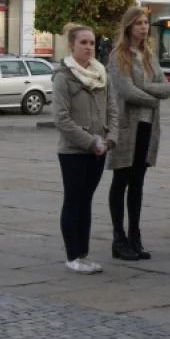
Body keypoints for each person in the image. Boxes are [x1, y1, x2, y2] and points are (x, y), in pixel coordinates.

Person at [107, 7, 170, 261]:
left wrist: (145, 87)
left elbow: (166, 88)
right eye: (139, 23)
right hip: (126, 125)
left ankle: (135, 235)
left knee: (138, 183)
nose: (144, 27)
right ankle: (118, 237)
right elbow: (126, 92)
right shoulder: (118, 56)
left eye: (146, 23)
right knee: (121, 180)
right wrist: (152, 98)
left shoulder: (149, 55)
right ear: (128, 27)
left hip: (147, 126)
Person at [52, 24, 118, 274]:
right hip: (73, 151)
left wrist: (109, 139)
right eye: (83, 43)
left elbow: (112, 110)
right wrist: (90, 141)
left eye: (92, 42)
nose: (89, 47)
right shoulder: (63, 77)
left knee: (86, 201)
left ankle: (84, 253)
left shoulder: (102, 75)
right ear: (71, 46)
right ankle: (72, 255)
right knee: (74, 200)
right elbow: (61, 119)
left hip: (99, 150)